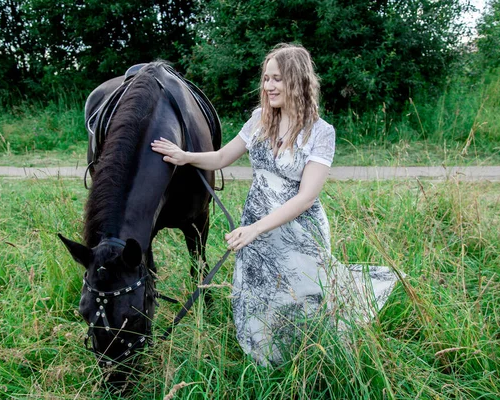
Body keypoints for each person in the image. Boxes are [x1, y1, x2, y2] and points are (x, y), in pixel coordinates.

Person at [151, 43, 399, 366]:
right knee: (259, 295)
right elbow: (222, 157)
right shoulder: (259, 120)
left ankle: (308, 360)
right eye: (266, 79)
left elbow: (306, 196)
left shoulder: (321, 133)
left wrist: (255, 229)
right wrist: (185, 157)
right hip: (254, 222)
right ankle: (266, 362)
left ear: (297, 81)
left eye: (277, 79)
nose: (268, 86)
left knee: (303, 299)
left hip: (298, 231)